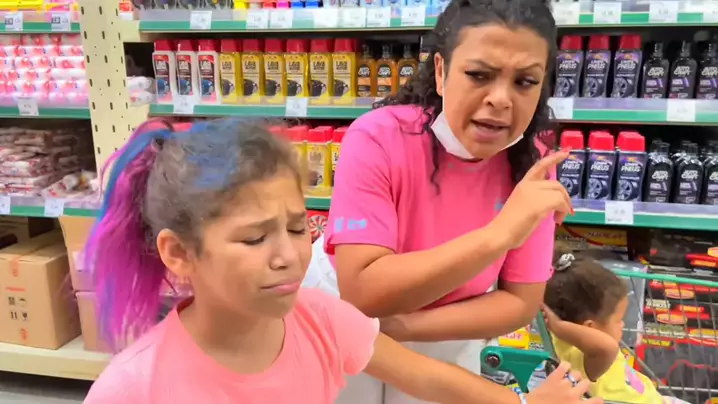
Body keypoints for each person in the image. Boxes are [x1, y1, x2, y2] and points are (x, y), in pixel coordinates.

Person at [82, 118, 596, 404]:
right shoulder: (133, 388)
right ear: (179, 252)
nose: (288, 256)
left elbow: (427, 378)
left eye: (295, 228)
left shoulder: (320, 319)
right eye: (254, 239)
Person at [312, 0, 572, 402]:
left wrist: (403, 327)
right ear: (440, 71)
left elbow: (521, 302)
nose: (500, 99)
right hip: (340, 317)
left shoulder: (534, 168)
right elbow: (363, 291)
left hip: (447, 329)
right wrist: (499, 235)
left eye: (525, 82)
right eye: (478, 75)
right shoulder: (377, 138)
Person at [543, 253, 690, 404]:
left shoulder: (570, 342)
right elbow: (607, 348)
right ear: (589, 328)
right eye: (618, 320)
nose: (623, 325)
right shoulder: (580, 358)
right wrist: (557, 326)